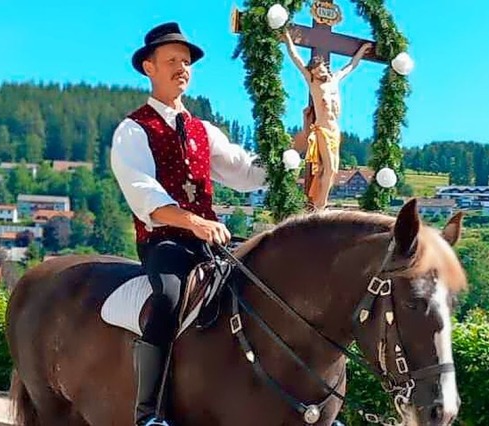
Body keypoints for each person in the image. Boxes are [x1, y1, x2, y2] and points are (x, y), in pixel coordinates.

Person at [110, 22, 267, 426]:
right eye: (173, 60)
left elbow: (245, 173)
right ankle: (149, 413)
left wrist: (297, 150)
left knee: (267, 279)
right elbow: (144, 194)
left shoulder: (203, 129)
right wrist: (193, 222)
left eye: (186, 61)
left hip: (210, 239)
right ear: (149, 67)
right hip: (165, 242)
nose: (183, 67)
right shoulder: (133, 129)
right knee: (167, 298)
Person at [283, 28, 371, 210]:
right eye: (314, 72)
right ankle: (320, 206)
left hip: (334, 130)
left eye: (318, 69)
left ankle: (318, 201)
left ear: (324, 66)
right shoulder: (314, 84)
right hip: (322, 129)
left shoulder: (335, 79)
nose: (317, 73)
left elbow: (350, 66)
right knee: (329, 168)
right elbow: (296, 59)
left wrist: (361, 51)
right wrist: (287, 38)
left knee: (331, 170)